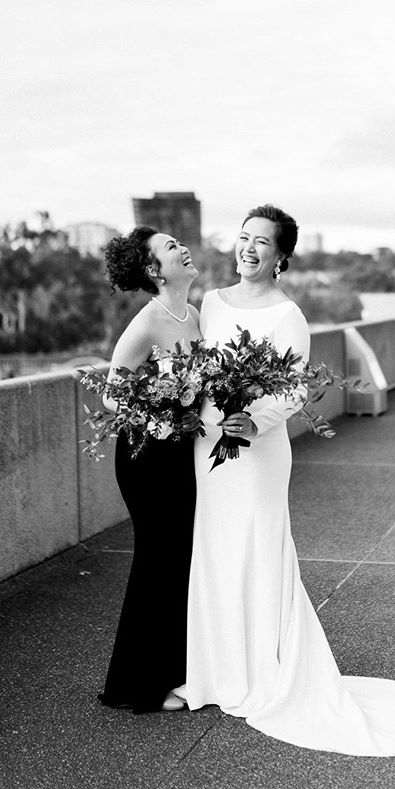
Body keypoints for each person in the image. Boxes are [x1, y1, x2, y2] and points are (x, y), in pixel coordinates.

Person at [181, 204, 395, 755]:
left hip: (256, 453)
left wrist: (252, 420)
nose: (249, 249)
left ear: (281, 257)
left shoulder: (288, 316)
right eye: (243, 238)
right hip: (208, 446)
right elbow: (190, 369)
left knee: (257, 548)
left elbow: (290, 391)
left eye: (262, 242)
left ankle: (265, 669)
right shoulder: (209, 304)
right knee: (214, 551)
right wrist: (199, 406)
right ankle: (216, 672)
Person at [99, 226, 201, 713]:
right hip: (146, 457)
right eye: (169, 247)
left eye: (178, 242)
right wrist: (158, 414)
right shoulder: (147, 323)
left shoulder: (194, 314)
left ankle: (178, 670)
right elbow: (112, 391)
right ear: (154, 270)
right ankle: (137, 686)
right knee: (157, 561)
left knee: (180, 560)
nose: (181, 247)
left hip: (182, 453)